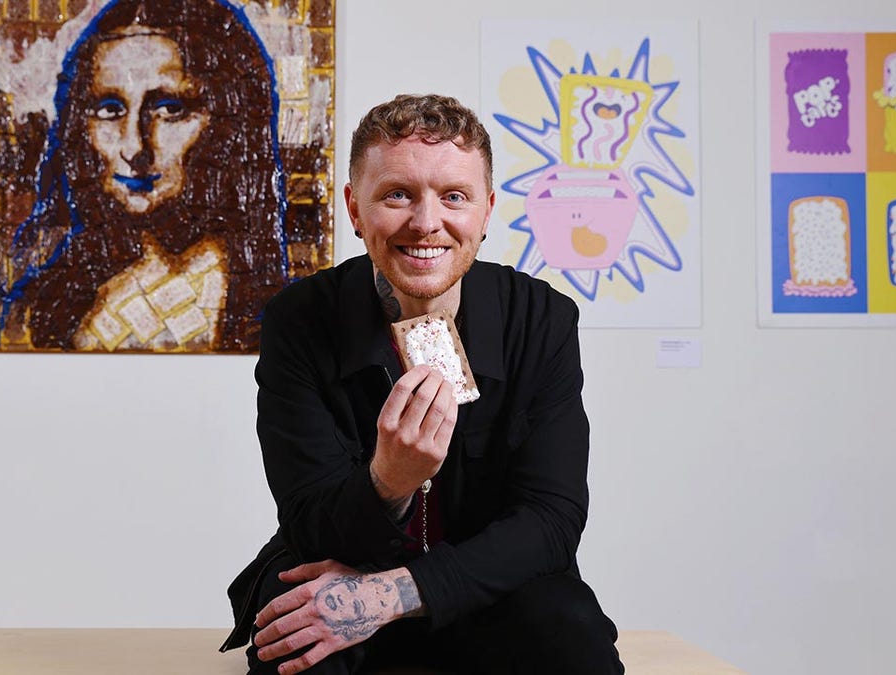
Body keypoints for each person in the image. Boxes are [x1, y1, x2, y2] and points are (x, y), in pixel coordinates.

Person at [223, 94, 623, 674]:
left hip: (488, 581)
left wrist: (396, 594)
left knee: (573, 633)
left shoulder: (541, 319)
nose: (425, 222)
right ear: (355, 211)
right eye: (396, 195)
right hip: (338, 563)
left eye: (453, 197)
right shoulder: (301, 319)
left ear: (486, 211)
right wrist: (389, 483)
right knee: (294, 645)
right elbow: (308, 517)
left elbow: (551, 520)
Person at [0, 0, 288, 353]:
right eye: (109, 109)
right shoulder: (42, 307)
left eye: (169, 109)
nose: (134, 147)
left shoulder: (280, 314)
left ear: (229, 123)